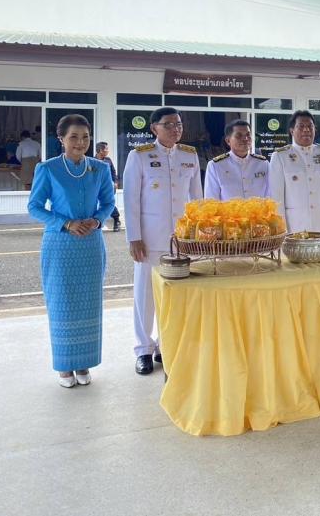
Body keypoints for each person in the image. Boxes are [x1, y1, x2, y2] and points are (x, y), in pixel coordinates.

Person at [27, 114, 115, 388]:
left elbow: (108, 203)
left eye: (85, 137)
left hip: (90, 244)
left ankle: (84, 363)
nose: (80, 142)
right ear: (61, 140)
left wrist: (97, 220)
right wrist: (66, 223)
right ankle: (65, 366)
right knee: (61, 303)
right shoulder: (48, 168)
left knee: (89, 304)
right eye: (73, 137)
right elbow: (34, 207)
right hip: (60, 245)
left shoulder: (99, 168)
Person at [123, 107, 202, 376]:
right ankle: (143, 349)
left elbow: (197, 200)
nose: (175, 129)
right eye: (168, 124)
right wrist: (134, 237)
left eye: (178, 124)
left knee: (176, 294)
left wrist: (197, 234)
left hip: (181, 239)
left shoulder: (189, 155)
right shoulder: (139, 156)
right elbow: (131, 200)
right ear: (153, 128)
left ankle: (164, 345)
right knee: (145, 295)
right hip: (150, 237)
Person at [268, 110, 320, 236]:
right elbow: (276, 197)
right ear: (292, 130)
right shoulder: (280, 156)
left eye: (310, 126)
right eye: (301, 126)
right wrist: (280, 229)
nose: (306, 130)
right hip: (294, 227)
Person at [205, 120, 269, 200]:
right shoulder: (216, 166)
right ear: (228, 141)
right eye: (239, 136)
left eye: (248, 135)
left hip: (259, 209)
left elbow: (270, 194)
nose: (245, 139)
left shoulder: (263, 164)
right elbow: (211, 199)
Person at [94, 141, 121, 232]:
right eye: (106, 149)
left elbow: (113, 171)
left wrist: (115, 182)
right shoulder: (92, 161)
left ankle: (116, 220)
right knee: (93, 204)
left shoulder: (108, 160)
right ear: (100, 150)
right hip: (96, 187)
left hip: (108, 186)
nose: (108, 151)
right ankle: (96, 222)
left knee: (109, 203)